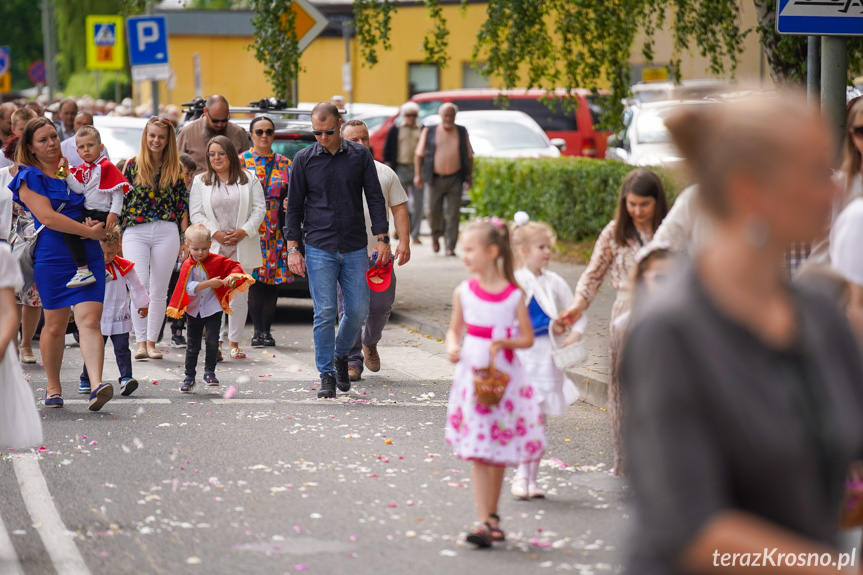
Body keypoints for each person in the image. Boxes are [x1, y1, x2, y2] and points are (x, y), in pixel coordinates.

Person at [620, 96, 863, 574]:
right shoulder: (671, 333)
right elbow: (691, 532)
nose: (834, 189)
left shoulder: (818, 313)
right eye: (815, 172)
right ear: (751, 189)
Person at [559, 168, 669, 475]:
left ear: (657, 203)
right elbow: (593, 274)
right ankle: (624, 458)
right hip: (625, 313)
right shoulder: (614, 231)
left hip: (664, 312)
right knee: (621, 386)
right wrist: (578, 305)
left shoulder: (671, 230)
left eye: (643, 205)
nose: (636, 211)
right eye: (631, 204)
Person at [444, 219, 542, 548]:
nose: (463, 255)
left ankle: (492, 518)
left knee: (495, 451)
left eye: (469, 249)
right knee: (478, 453)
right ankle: (484, 520)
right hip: (473, 379)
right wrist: (452, 347)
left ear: (491, 252)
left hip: (503, 381)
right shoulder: (463, 292)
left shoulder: (514, 296)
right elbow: (454, 329)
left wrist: (504, 343)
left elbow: (527, 338)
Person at [284, 102, 391, 398]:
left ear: (339, 124)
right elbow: (293, 207)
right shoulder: (304, 160)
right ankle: (326, 374)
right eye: (316, 132)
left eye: (328, 131)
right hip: (318, 246)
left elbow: (374, 198)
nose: (322, 137)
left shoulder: (359, 156)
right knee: (325, 312)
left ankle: (340, 354)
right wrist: (293, 247)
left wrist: (382, 236)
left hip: (355, 244)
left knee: (357, 311)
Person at [9, 116, 111, 410]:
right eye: (43, 140)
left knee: (90, 320)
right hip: (53, 256)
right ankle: (53, 387)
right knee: (54, 326)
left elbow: (99, 201)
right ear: (30, 147)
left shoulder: (74, 170)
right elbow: (48, 218)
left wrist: (103, 225)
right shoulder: (28, 177)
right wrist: (88, 232)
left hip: (88, 252)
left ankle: (96, 385)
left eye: (53, 136)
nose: (52, 143)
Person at [510, 214, 585, 499]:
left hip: (548, 360)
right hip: (523, 358)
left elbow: (576, 310)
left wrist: (575, 332)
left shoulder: (554, 282)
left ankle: (532, 476)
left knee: (539, 421)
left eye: (548, 247)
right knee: (527, 418)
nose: (547, 252)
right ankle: (521, 474)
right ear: (523, 250)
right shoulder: (515, 282)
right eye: (541, 247)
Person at [339, 119, 411, 381]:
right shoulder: (334, 171)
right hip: (345, 255)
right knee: (348, 309)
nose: (360, 144)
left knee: (380, 307)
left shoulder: (384, 172)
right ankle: (353, 359)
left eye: (364, 139)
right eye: (353, 140)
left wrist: (404, 241)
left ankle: (370, 342)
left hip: (379, 256)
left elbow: (399, 208)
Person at [189, 135, 264, 359]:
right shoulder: (200, 181)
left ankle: (234, 343)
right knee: (214, 295)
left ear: (231, 154)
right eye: (212, 154)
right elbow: (196, 213)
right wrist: (215, 233)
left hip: (242, 243)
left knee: (239, 296)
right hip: (214, 246)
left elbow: (259, 210)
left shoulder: (249, 178)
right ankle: (216, 343)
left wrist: (244, 231)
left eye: (221, 153)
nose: (216, 158)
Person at [121, 116, 189, 360]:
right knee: (139, 286)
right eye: (152, 135)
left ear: (168, 139)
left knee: (160, 290)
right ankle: (139, 342)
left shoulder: (176, 167)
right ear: (145, 137)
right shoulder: (132, 164)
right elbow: (122, 201)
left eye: (161, 136)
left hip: (167, 231)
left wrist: (184, 238)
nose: (156, 140)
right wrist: (117, 234)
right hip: (135, 231)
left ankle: (152, 342)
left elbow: (182, 205)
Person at [166, 223, 254, 393]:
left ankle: (209, 373)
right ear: (188, 246)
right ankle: (189, 376)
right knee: (193, 345)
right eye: (196, 249)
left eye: (204, 249)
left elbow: (235, 267)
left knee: (213, 342)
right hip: (194, 311)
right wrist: (209, 283)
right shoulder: (187, 265)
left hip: (213, 308)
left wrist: (231, 277)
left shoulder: (217, 260)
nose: (200, 253)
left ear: (210, 245)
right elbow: (188, 287)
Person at [239, 116, 292, 348]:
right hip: (250, 228)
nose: (264, 136)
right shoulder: (240, 161)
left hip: (276, 229)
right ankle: (255, 332)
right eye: (258, 131)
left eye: (268, 132)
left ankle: (266, 332)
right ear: (251, 135)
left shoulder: (286, 164)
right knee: (253, 280)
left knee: (271, 282)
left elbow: (297, 193)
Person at [78, 229, 149, 397]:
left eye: (110, 253)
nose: (106, 257)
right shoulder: (89, 266)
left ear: (118, 248)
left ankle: (126, 378)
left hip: (119, 314)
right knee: (94, 348)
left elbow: (136, 285)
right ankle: (86, 378)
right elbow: (80, 287)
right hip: (97, 316)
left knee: (122, 348)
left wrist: (142, 303)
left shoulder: (124, 266)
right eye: (102, 253)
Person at [61, 125, 130, 288]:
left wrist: (114, 214)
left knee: (69, 231)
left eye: (90, 146)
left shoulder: (106, 167)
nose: (86, 150)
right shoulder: (84, 169)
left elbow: (117, 192)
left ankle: (83, 270)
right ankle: (99, 269)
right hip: (89, 211)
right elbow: (79, 189)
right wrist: (68, 175)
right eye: (82, 147)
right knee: (85, 237)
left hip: (101, 212)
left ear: (100, 147)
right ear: (77, 152)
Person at [414, 103, 474, 256]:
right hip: (435, 178)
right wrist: (418, 175)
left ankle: (450, 246)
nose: (448, 118)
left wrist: (469, 176)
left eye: (451, 115)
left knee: (454, 213)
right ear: (441, 116)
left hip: (455, 178)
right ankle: (436, 236)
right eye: (446, 115)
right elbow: (419, 155)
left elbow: (469, 156)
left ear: (455, 116)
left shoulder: (462, 131)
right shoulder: (429, 130)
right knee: (433, 212)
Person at [0, 242, 42, 448]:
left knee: (30, 296)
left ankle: (23, 344)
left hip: (28, 241)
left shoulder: (1, 254)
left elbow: (7, 311)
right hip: (14, 237)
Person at [162, 153, 197, 349]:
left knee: (183, 287)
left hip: (187, 245)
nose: (189, 177)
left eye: (192, 173)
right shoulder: (170, 191)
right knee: (165, 288)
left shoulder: (195, 192)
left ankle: (178, 329)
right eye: (186, 173)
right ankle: (157, 328)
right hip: (169, 241)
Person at [177, 95, 249, 175]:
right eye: (215, 121)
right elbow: (177, 165)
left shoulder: (239, 133)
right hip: (195, 187)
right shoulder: (186, 133)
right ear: (205, 112)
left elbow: (247, 165)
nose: (220, 124)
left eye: (224, 120)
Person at [383, 102, 424, 244]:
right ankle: (400, 231)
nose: (411, 118)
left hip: (419, 170)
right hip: (400, 168)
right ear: (403, 115)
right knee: (400, 203)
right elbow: (387, 149)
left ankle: (416, 233)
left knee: (419, 203)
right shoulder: (395, 129)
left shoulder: (422, 128)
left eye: (414, 115)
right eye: (408, 115)